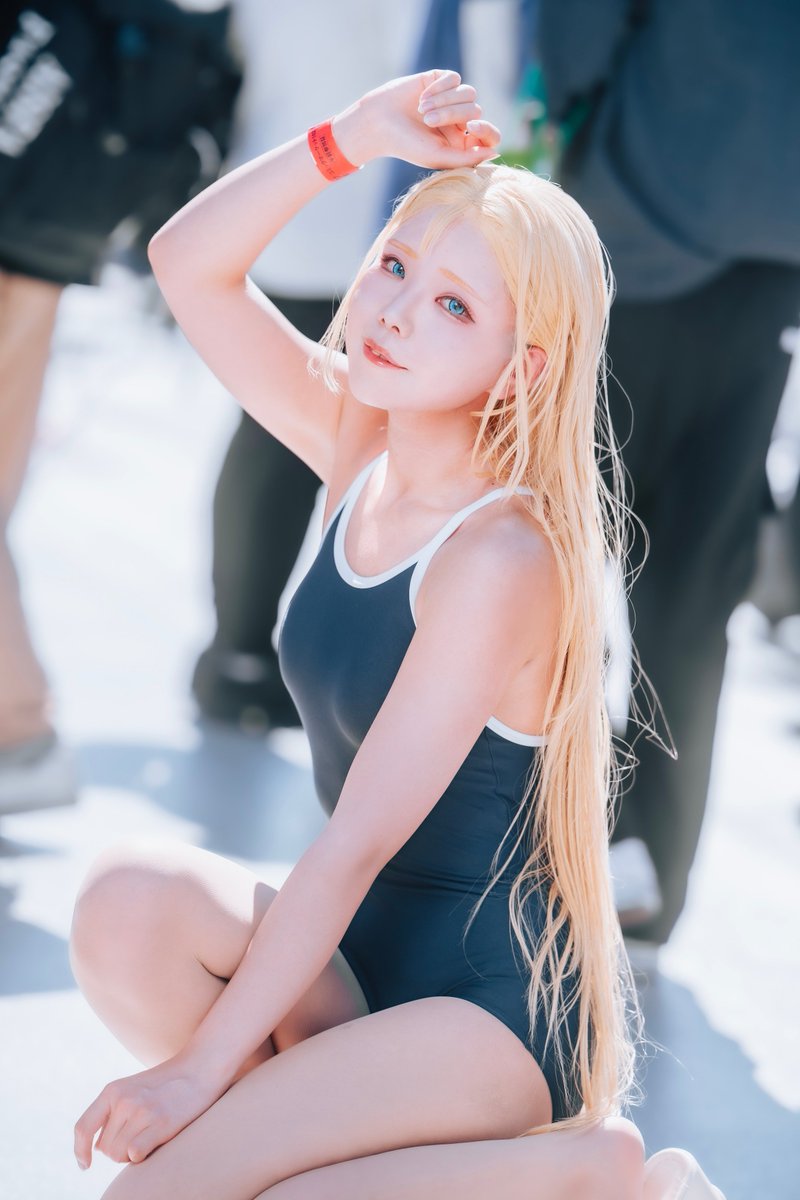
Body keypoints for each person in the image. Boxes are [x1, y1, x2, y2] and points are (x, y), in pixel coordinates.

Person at [68, 71, 723, 1199]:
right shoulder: (358, 445)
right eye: (394, 267)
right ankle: (529, 1177)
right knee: (125, 901)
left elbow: (355, 842)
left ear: (521, 370)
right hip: (354, 972)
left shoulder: (500, 556)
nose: (395, 310)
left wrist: (197, 1076)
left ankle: (583, 1176)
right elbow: (187, 264)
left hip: (490, 1015)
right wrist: (353, 136)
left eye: (454, 306)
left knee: (169, 1193)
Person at [536, 0, 800, 943]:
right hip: (775, 245)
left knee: (553, 555)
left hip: (638, 224)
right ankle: (652, 887)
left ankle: (549, 846)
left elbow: (575, 37)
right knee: (692, 590)